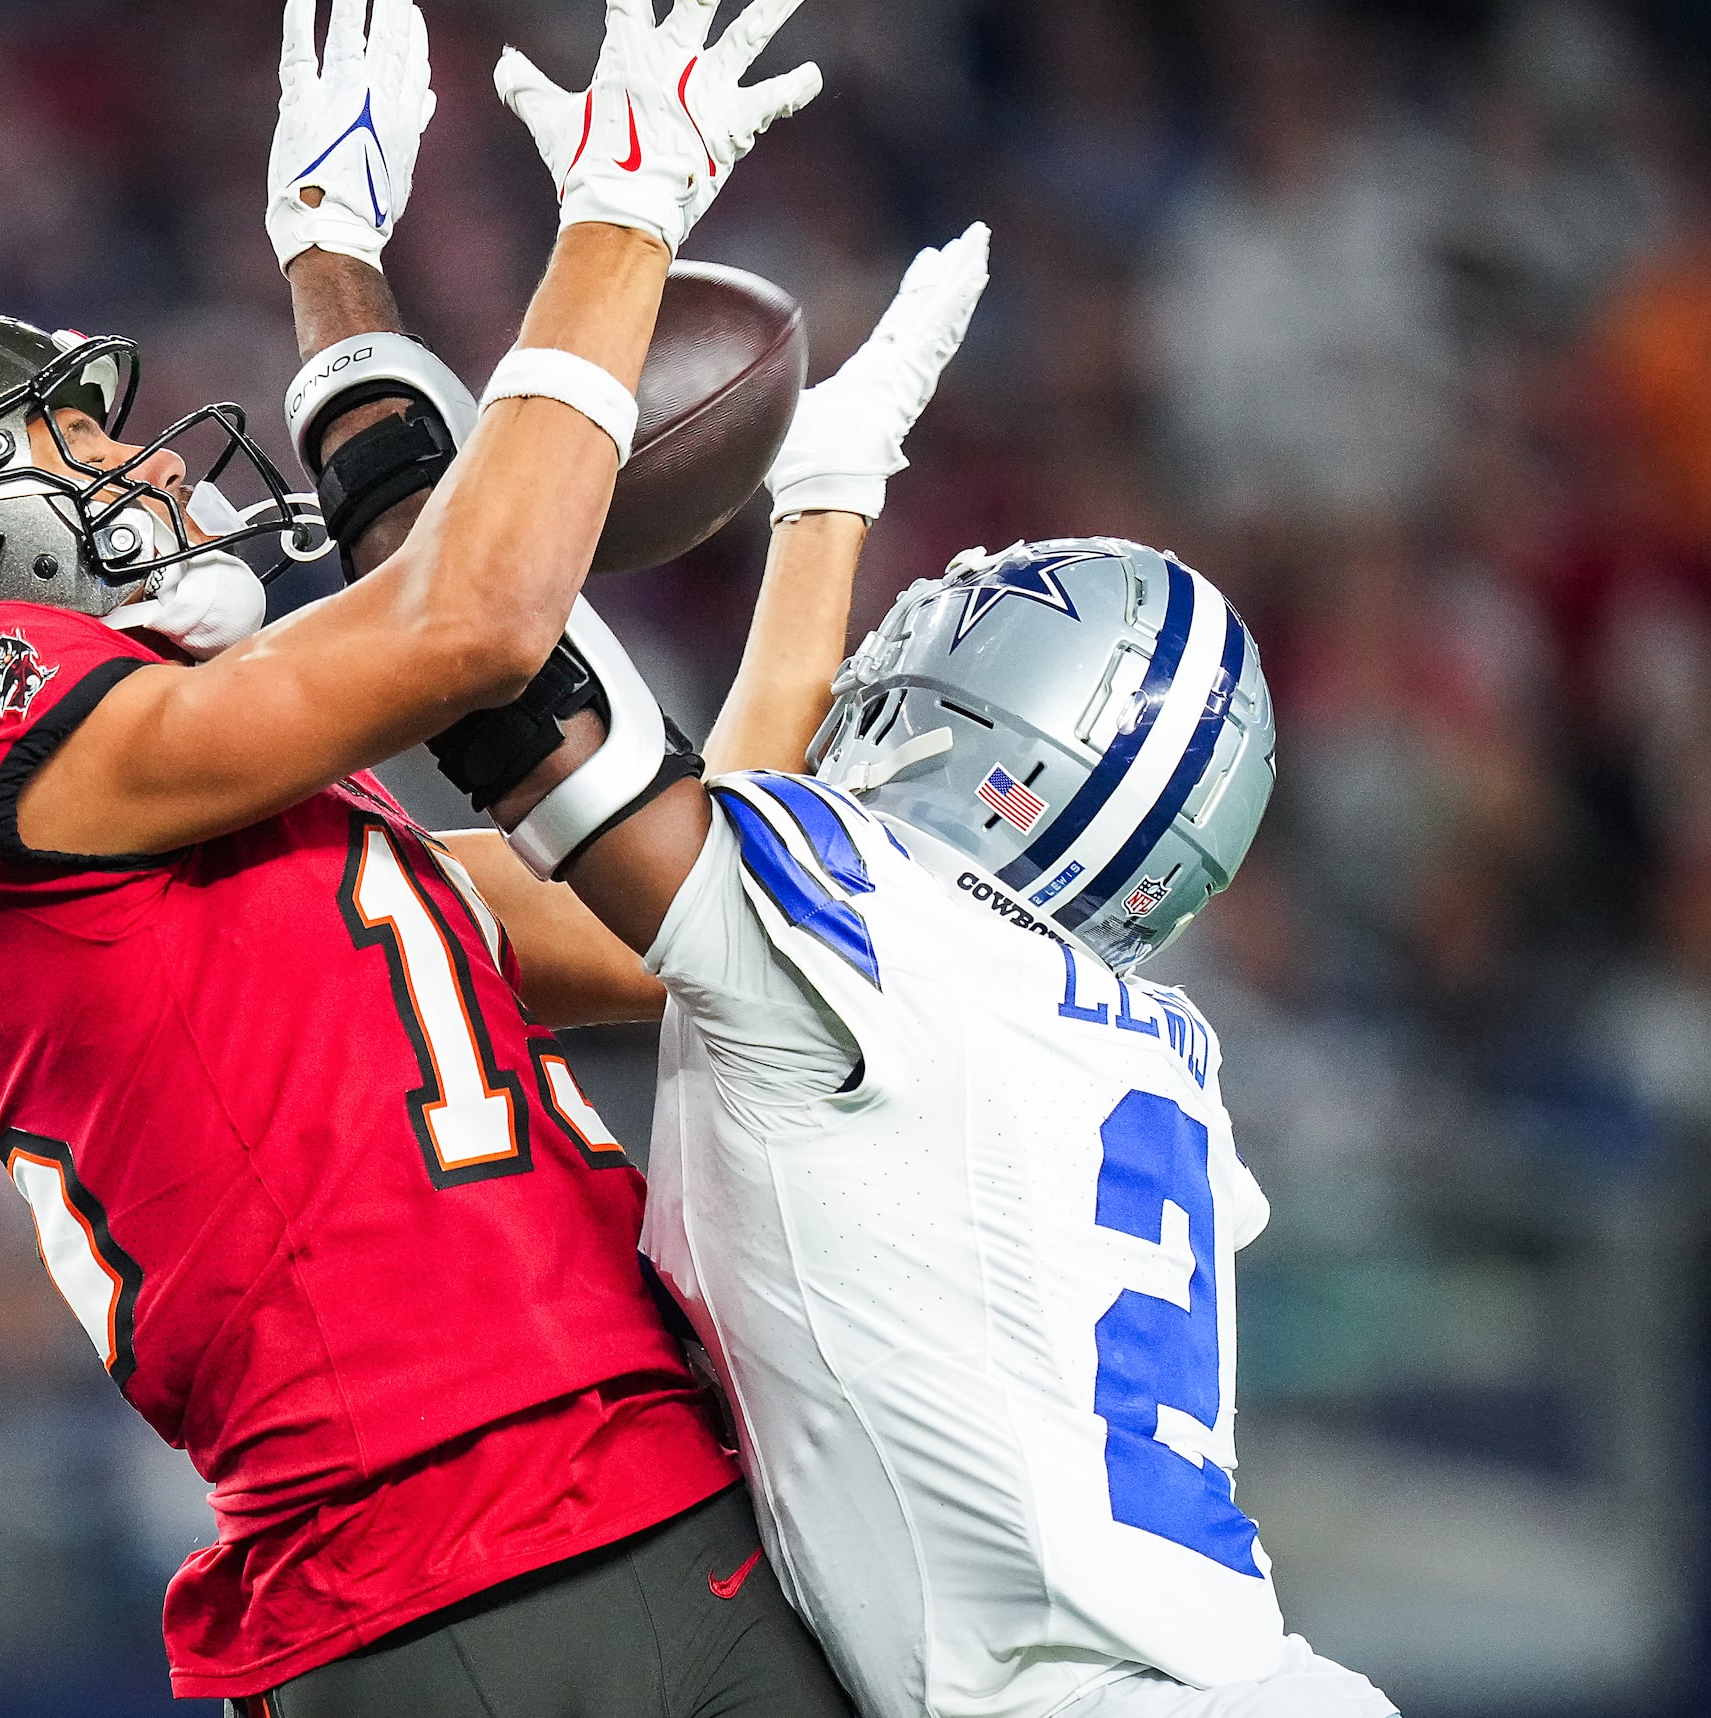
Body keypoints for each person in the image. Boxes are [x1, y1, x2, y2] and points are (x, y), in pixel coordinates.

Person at [0, 0, 858, 1717]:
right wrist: (616, 218)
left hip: (588, 1534)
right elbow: (466, 616)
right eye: (78, 446)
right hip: (463, 1569)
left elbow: (715, 909)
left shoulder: (242, 836)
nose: (155, 458)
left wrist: (824, 511)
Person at [404, 230, 1403, 1717]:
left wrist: (375, 471)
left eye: (970, 626)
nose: (915, 625)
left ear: (1011, 739)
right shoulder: (1142, 1046)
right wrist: (820, 499)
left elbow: (539, 758)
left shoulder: (884, 935)